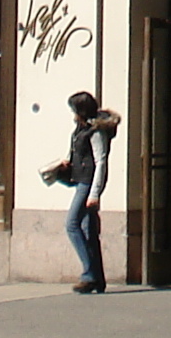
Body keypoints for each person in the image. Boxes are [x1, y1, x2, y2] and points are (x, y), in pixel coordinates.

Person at [48, 90, 119, 293]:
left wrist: (95, 193)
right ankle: (98, 278)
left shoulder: (96, 131)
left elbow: (101, 161)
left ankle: (89, 274)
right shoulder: (81, 129)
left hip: (88, 183)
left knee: (71, 224)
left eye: (74, 109)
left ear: (81, 110)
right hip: (80, 179)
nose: (72, 114)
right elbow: (77, 152)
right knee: (88, 231)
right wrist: (66, 162)